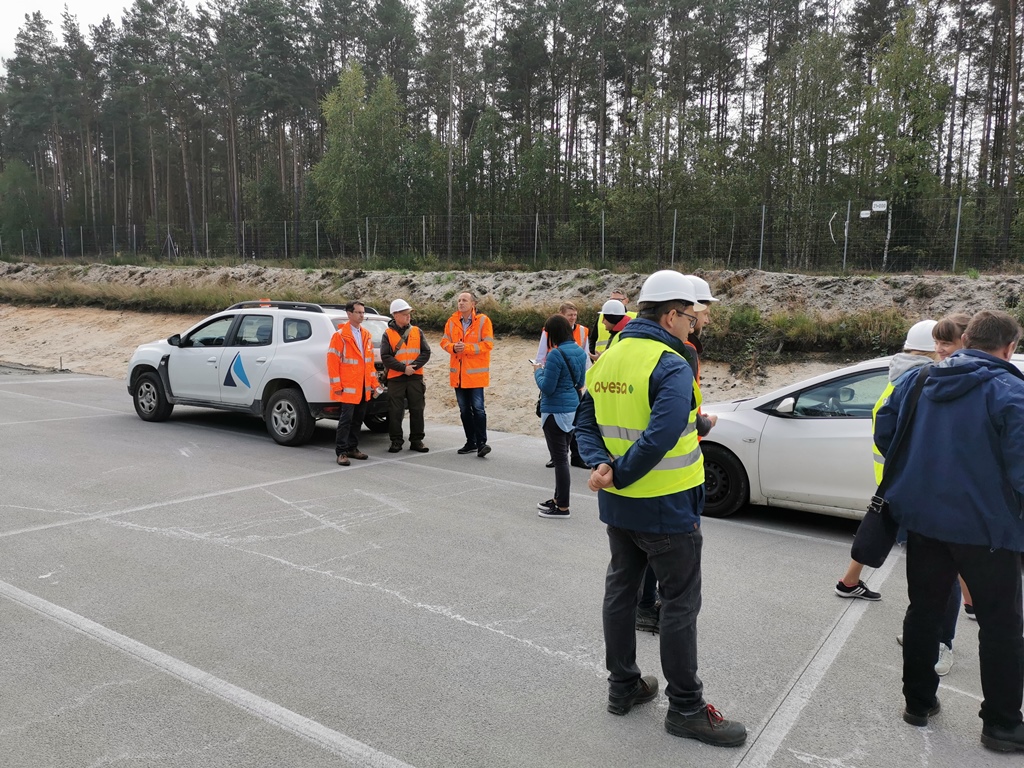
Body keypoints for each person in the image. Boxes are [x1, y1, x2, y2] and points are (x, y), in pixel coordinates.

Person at [576, 269, 747, 747]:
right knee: (679, 603)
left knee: (621, 593)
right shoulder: (670, 364)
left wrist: (603, 467)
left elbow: (585, 423)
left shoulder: (609, 357)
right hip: (667, 504)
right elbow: (662, 434)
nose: (694, 324)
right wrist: (621, 472)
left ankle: (623, 685)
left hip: (618, 506)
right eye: (691, 317)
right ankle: (686, 708)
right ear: (671, 316)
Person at [875, 310, 1024, 751]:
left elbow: (886, 433)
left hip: (924, 522)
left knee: (924, 611)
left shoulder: (918, 379)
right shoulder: (1011, 391)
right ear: (1009, 348)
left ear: (967, 339)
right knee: (1000, 625)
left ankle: (918, 703)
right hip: (988, 531)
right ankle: (1001, 724)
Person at [835, 319, 938, 602]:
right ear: (934, 349)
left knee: (880, 529)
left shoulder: (899, 374)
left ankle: (848, 582)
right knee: (943, 543)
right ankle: (968, 603)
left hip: (891, 473)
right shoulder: (920, 379)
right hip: (904, 476)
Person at [532, 314, 588, 518]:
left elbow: (547, 387)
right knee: (562, 456)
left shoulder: (555, 354)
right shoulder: (579, 351)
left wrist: (537, 372)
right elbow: (580, 382)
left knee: (560, 460)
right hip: (572, 409)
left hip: (555, 411)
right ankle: (558, 498)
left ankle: (563, 506)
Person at [441, 291, 494, 458]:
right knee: (464, 410)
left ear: (473, 304)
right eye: (459, 300)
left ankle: (482, 443)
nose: (461, 303)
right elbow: (444, 342)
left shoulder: (483, 320)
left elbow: (488, 344)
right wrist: (453, 347)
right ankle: (471, 442)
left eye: (464, 300)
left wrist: (467, 348)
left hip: (475, 375)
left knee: (478, 409)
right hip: (458, 375)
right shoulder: (452, 321)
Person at [538, 301, 590, 470]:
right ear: (561, 315)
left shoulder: (582, 331)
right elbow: (541, 355)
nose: (573, 318)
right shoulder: (549, 330)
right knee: (568, 425)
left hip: (569, 387)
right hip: (566, 382)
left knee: (572, 425)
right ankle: (558, 456)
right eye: (569, 315)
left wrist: (538, 373)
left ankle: (574, 456)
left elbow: (585, 358)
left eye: (575, 315)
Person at [327, 301, 379, 465]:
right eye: (358, 312)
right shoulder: (340, 336)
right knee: (345, 421)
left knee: (358, 420)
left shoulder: (366, 335)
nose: (362, 315)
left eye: (363, 312)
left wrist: (374, 384)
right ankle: (341, 452)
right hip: (348, 388)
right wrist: (336, 386)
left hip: (363, 387)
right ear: (349, 314)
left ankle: (352, 448)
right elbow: (332, 362)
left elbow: (369, 364)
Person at [380, 298, 431, 453]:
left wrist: (413, 367)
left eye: (409, 313)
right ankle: (396, 441)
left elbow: (426, 352)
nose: (408, 316)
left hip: (415, 377)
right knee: (395, 411)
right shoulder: (388, 334)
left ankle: (417, 440)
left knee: (417, 409)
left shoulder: (417, 331)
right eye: (404, 314)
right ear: (395, 315)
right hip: (396, 379)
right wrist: (404, 369)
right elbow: (385, 357)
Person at [590, 290, 636, 360]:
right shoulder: (601, 318)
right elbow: (593, 339)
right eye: (612, 300)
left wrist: (604, 358)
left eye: (618, 300)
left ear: (626, 301)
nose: (603, 321)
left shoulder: (625, 334)